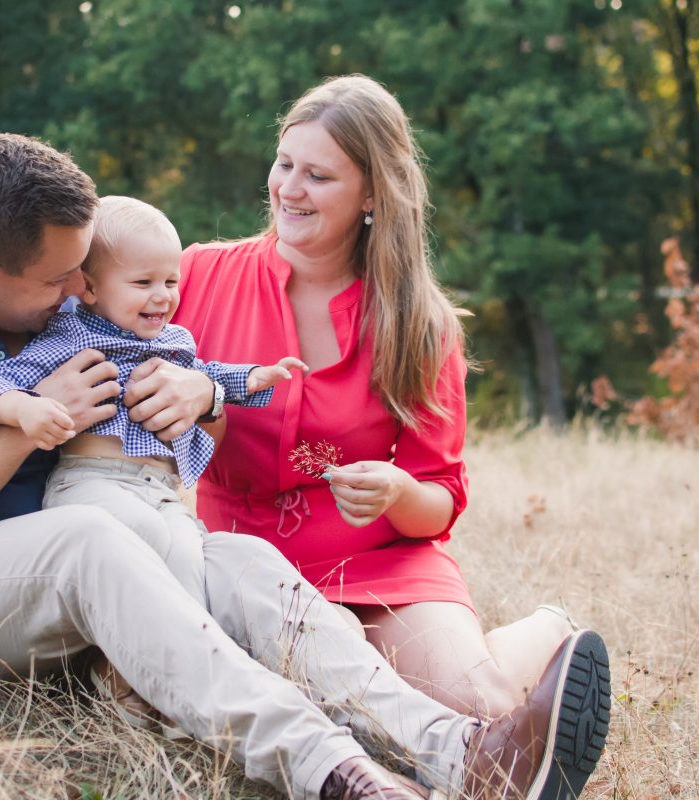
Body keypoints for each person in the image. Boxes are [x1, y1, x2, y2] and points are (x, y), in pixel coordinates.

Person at [0, 131, 609, 800]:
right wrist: (20, 434)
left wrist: (204, 400)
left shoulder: (63, 306)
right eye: (60, 282)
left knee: (242, 561)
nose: (80, 293)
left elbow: (182, 435)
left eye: (84, 272)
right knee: (89, 536)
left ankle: (464, 752)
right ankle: (336, 772)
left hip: (114, 584)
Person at [172, 74, 605, 724]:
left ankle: (545, 636)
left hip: (380, 563)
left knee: (474, 709)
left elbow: (439, 502)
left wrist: (399, 491)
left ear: (372, 192)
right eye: (284, 163)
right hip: (244, 569)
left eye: (318, 176)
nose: (289, 188)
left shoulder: (420, 325)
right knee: (334, 722)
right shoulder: (199, 275)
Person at [0, 194, 305, 733]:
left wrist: (251, 379)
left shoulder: (175, 341)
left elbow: (208, 377)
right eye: (143, 282)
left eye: (170, 281)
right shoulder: (70, 335)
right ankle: (156, 683)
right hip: (93, 484)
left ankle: (154, 680)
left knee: (189, 565)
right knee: (148, 551)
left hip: (160, 490)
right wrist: (28, 410)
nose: (162, 296)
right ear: (92, 287)